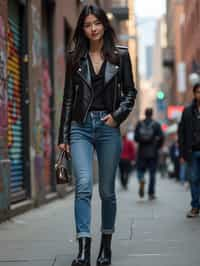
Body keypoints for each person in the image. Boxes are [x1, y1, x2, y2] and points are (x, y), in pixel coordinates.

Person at [58, 5, 137, 266]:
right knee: (82, 185)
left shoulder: (120, 56)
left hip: (108, 126)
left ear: (104, 24)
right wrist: (63, 135)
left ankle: (106, 247)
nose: (93, 28)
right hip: (80, 127)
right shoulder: (75, 58)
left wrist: (118, 116)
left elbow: (130, 92)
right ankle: (83, 249)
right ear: (82, 28)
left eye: (97, 23)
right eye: (87, 24)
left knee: (106, 191)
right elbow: (68, 99)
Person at [178, 83, 200, 218]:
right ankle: (195, 206)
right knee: (193, 179)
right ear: (194, 94)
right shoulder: (187, 111)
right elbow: (181, 133)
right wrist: (182, 153)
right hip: (192, 151)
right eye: (198, 92)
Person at [134, 108, 164, 200]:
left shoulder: (139, 124)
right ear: (152, 114)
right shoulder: (156, 125)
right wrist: (157, 146)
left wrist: (141, 141)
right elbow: (162, 137)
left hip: (141, 152)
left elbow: (135, 138)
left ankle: (141, 179)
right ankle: (151, 193)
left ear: (145, 113)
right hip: (153, 152)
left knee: (140, 170)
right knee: (152, 173)